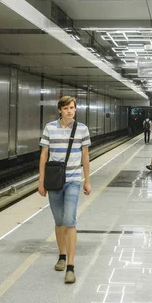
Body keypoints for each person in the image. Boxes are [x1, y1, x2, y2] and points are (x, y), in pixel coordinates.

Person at [38, 95, 91, 284]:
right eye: (66, 108)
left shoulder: (82, 129)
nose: (70, 111)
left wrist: (87, 180)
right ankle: (61, 255)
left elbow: (85, 156)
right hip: (54, 181)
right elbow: (44, 155)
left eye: (72, 108)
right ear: (60, 110)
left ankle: (70, 266)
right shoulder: (50, 128)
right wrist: (41, 181)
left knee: (70, 221)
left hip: (74, 180)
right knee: (59, 221)